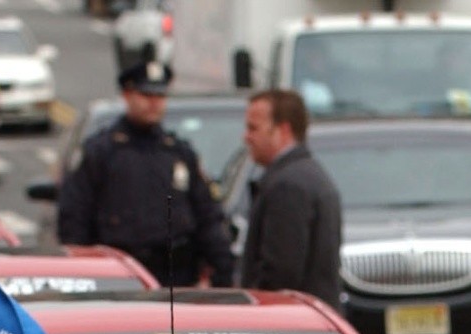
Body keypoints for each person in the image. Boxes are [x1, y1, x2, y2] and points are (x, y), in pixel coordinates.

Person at [57, 60, 236, 288]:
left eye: (160, 97)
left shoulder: (178, 153)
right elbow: (74, 219)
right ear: (127, 95)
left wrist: (222, 269)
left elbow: (207, 216)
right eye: (145, 95)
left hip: (175, 277)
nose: (154, 103)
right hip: (119, 277)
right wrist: (83, 274)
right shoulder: (102, 152)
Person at [239, 88, 343, 308]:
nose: (246, 137)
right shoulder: (309, 175)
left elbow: (281, 273)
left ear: (283, 130)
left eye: (253, 128)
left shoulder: (288, 187)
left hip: (290, 323)